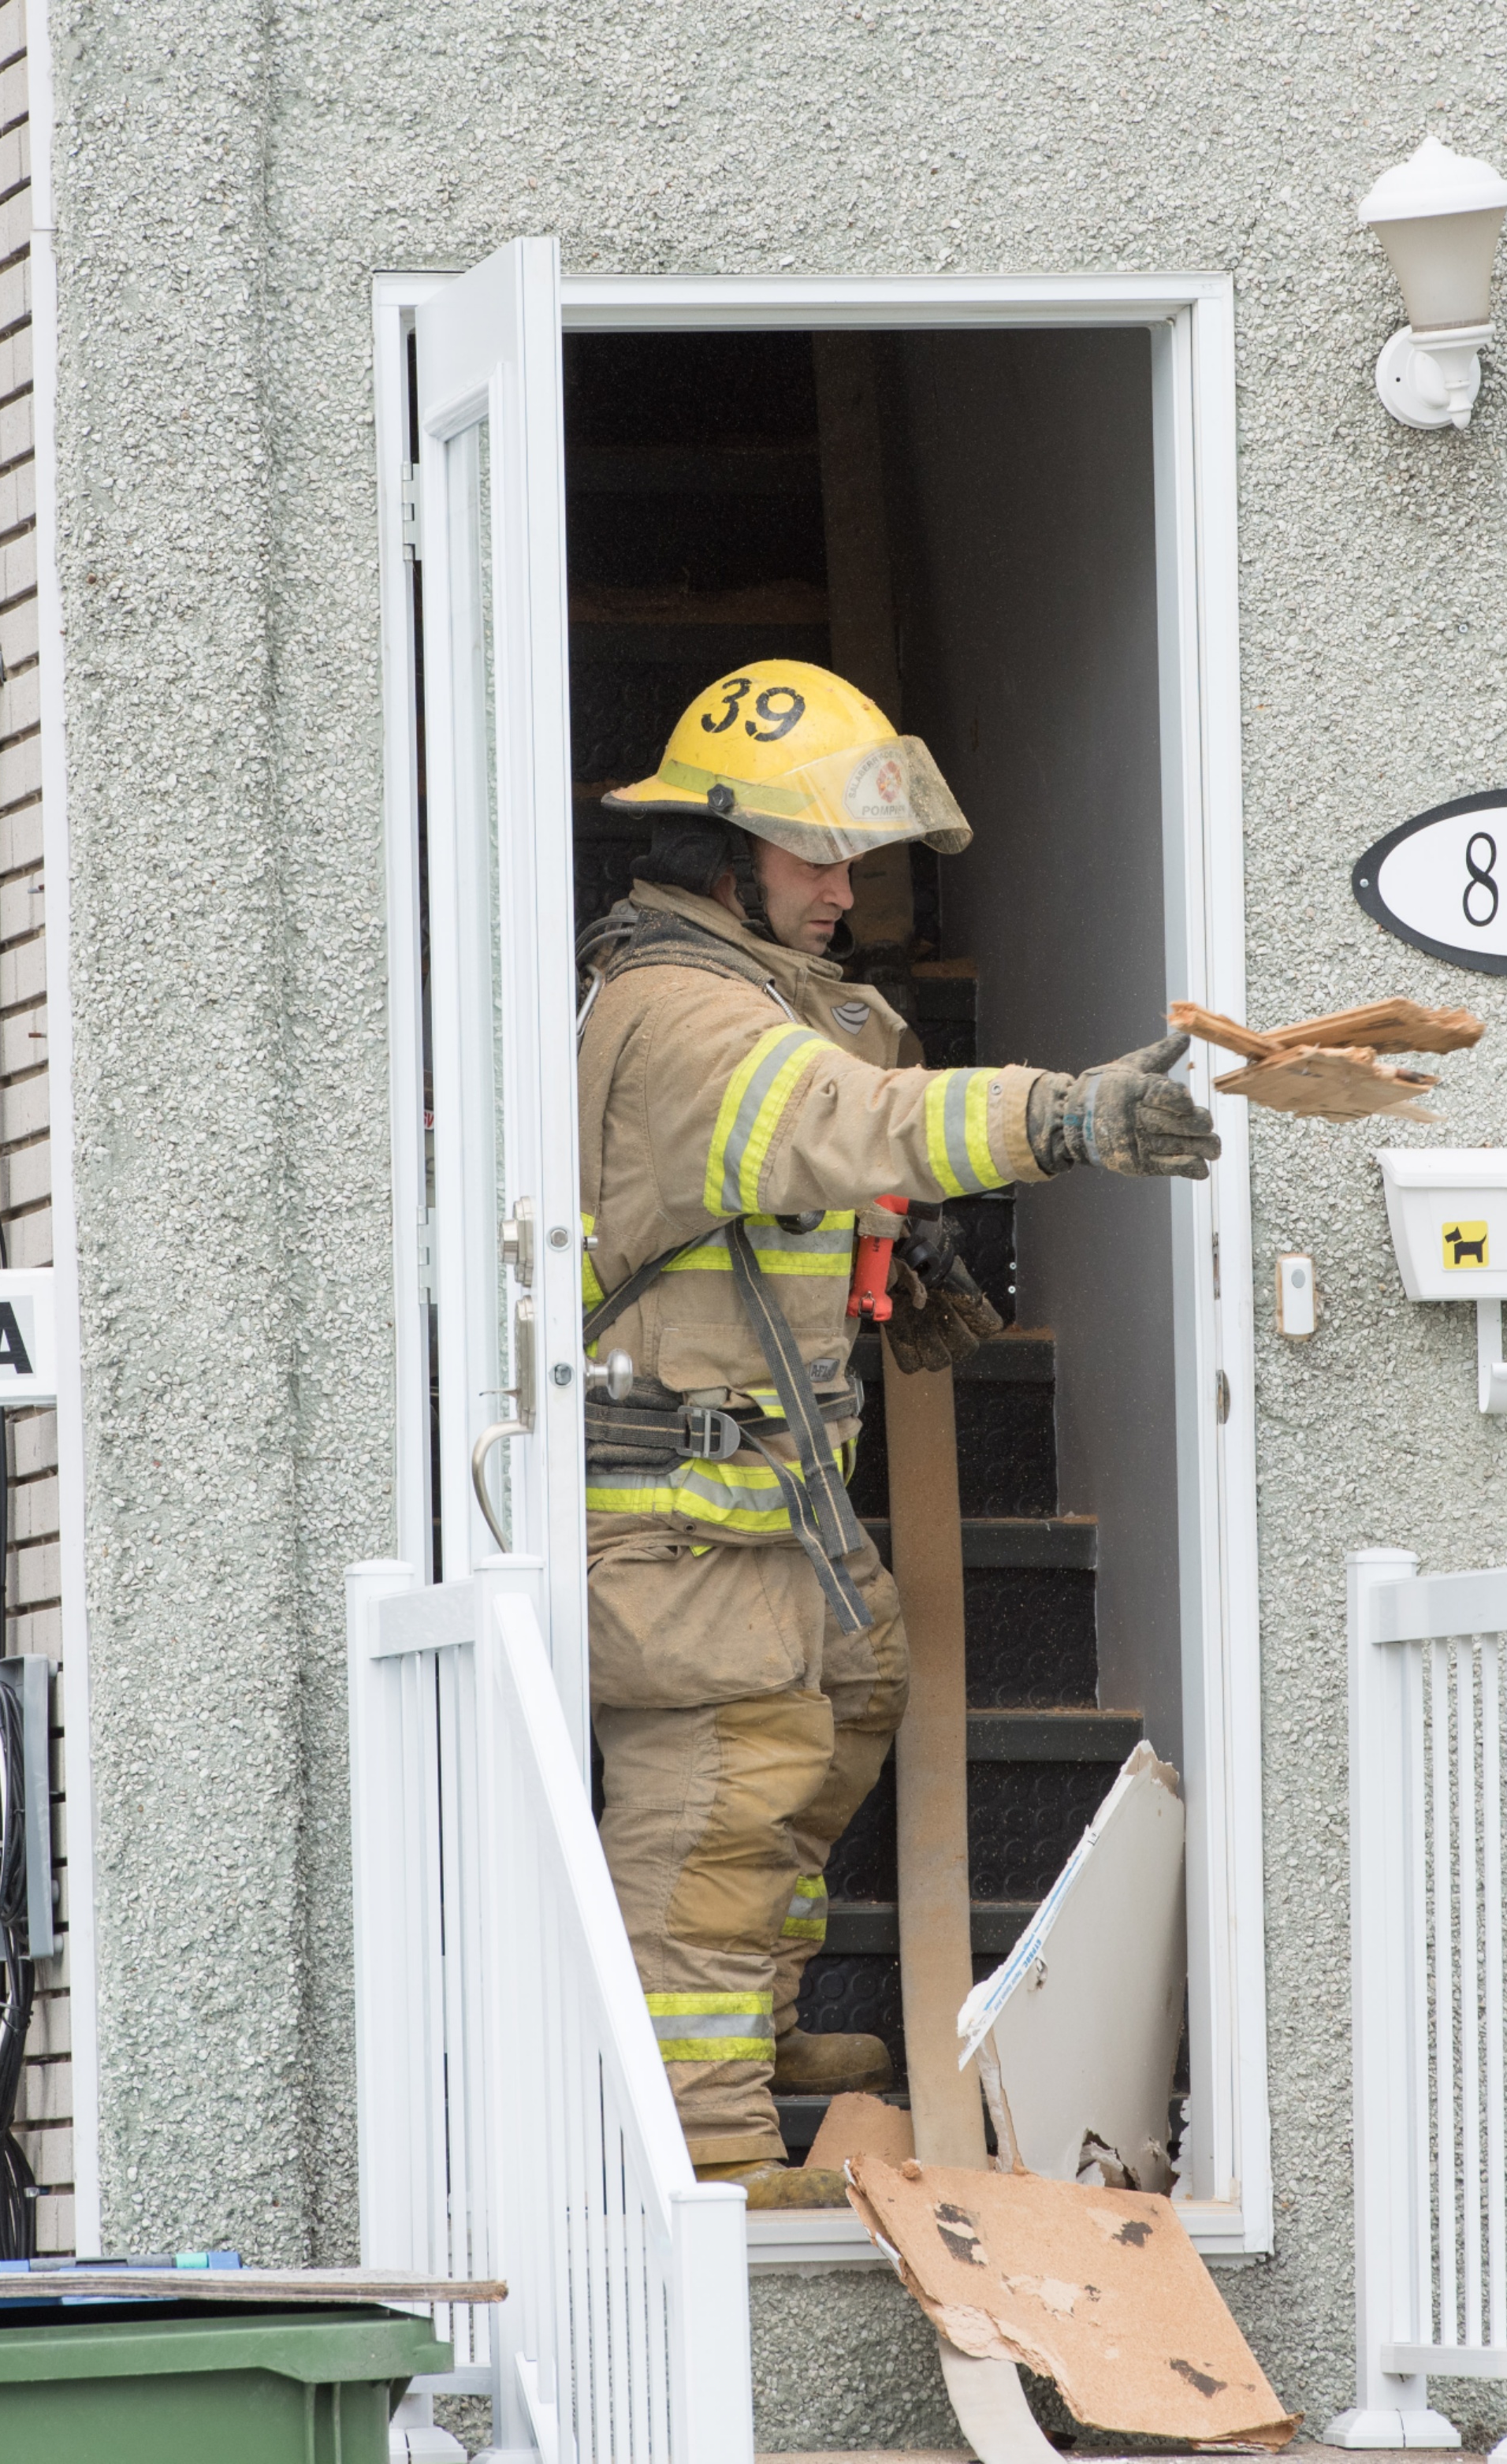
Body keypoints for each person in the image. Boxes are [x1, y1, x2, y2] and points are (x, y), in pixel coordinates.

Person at [575, 658, 1218, 2205]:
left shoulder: (780, 995)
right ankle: (702, 2155)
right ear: (718, 853)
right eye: (814, 855)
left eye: (854, 855)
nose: (845, 886)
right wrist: (1069, 1118)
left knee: (853, 1688)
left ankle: (752, 2019)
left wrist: (903, 1257)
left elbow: (840, 1137)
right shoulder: (679, 1016)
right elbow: (845, 1121)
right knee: (727, 1797)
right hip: (669, 1516)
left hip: (766, 1504)